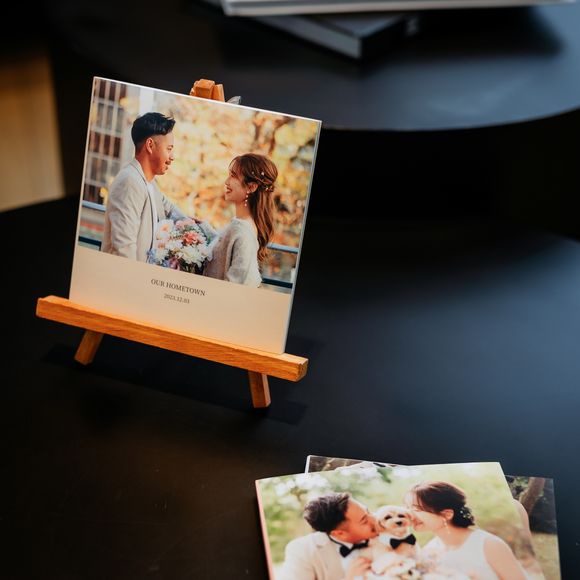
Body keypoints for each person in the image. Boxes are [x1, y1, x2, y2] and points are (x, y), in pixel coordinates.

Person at [101, 112, 186, 262]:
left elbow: (170, 209)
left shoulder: (150, 183)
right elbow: (124, 248)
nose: (172, 156)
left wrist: (196, 227)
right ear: (150, 145)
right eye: (169, 149)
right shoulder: (130, 182)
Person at [406, 481, 527, 580]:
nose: (409, 515)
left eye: (416, 510)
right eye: (407, 508)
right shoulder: (428, 551)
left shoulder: (489, 545)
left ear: (447, 514)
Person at [203, 153, 276, 287]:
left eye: (233, 176)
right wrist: (203, 228)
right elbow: (223, 245)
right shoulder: (241, 225)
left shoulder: (242, 232)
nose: (226, 182)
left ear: (251, 187)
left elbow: (235, 289)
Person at [277, 492, 379, 580]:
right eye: (364, 520)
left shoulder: (385, 525)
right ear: (339, 533)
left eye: (368, 511)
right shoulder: (302, 550)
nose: (375, 519)